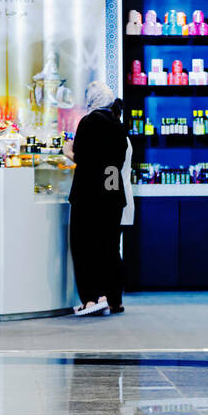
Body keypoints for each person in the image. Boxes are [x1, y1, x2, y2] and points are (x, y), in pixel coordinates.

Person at [66, 81, 129, 317]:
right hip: (113, 194)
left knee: (84, 247)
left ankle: (91, 299)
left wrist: (67, 150)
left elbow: (81, 156)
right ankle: (113, 299)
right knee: (109, 248)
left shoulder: (89, 122)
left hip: (89, 194)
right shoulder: (118, 124)